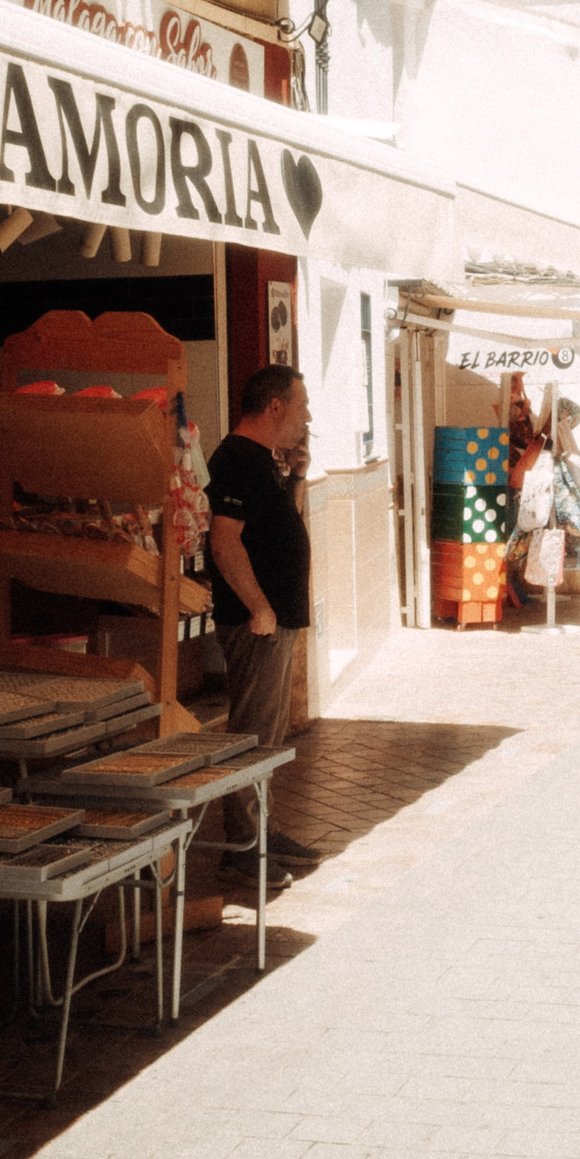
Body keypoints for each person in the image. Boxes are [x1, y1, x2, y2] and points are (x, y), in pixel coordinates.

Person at [205, 364, 321, 887]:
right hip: (257, 623)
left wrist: (295, 476)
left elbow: (282, 528)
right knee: (252, 735)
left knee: (267, 737)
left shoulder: (263, 463)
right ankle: (241, 848)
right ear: (275, 406)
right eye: (301, 407)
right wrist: (259, 607)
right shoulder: (234, 459)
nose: (306, 418)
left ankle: (262, 833)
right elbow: (225, 543)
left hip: (273, 620)